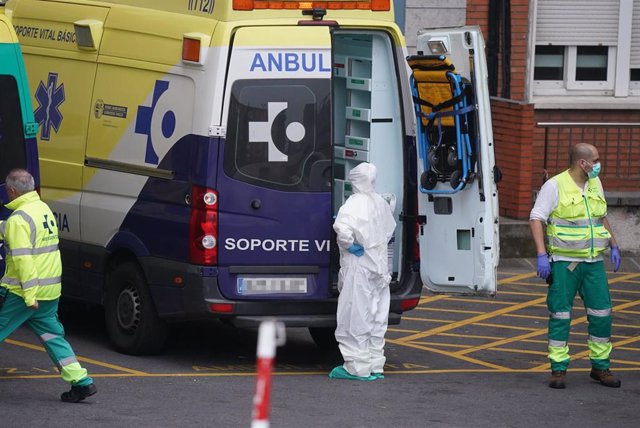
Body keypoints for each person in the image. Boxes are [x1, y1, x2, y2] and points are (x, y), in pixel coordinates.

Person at [529, 143, 622, 389]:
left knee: (602, 314)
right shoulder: (555, 186)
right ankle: (558, 370)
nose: (599, 164)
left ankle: (600, 367)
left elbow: (600, 217)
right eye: (596, 160)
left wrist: (613, 244)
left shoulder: (595, 184)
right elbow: (536, 218)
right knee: (561, 315)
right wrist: (541, 254)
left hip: (593, 263)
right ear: (583, 163)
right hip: (564, 263)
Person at [0, 169, 97, 402]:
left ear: (12, 190)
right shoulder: (42, 209)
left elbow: (24, 259)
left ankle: (82, 382)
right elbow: (23, 236)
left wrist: (29, 296)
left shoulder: (19, 219)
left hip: (23, 293)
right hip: (50, 290)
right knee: (53, 337)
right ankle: (81, 381)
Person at [329, 162, 396, 381]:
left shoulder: (354, 203)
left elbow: (343, 230)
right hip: (379, 268)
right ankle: (376, 365)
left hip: (360, 266)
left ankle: (356, 368)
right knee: (377, 317)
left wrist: (349, 245)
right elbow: (388, 230)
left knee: (355, 316)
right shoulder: (380, 202)